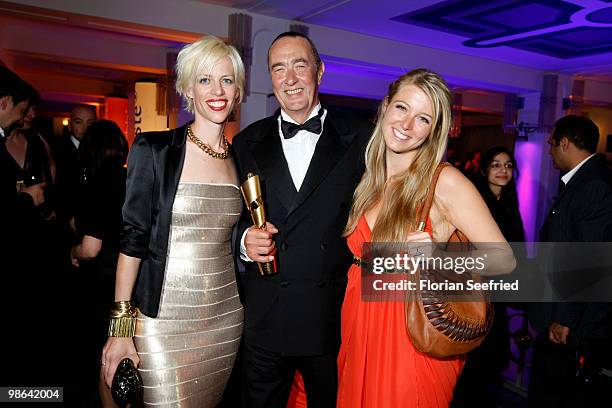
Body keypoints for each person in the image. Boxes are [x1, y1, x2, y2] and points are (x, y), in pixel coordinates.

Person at [335, 69, 514, 407]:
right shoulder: (369, 179)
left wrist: (439, 257)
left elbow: (505, 260)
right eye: (402, 108)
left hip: (410, 333)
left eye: (423, 119)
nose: (406, 124)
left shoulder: (444, 181)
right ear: (385, 106)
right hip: (359, 324)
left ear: (434, 131)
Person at [101, 36, 245, 407]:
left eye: (226, 80)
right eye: (204, 80)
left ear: (238, 90)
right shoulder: (154, 150)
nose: (217, 90)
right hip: (161, 320)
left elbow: (231, 237)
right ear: (188, 89)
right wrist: (120, 330)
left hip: (224, 318)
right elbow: (132, 242)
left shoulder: (242, 159)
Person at [231, 31, 372, 407]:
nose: (290, 78)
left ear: (320, 71)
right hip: (266, 315)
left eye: (299, 65)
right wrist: (244, 242)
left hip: (330, 318)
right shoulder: (246, 142)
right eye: (279, 68)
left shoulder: (361, 138)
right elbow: (227, 220)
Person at [528, 115, 612, 407]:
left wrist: (564, 318)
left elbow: (587, 257)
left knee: (555, 394)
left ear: (564, 143)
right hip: (566, 315)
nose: (550, 151)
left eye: (551, 144)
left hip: (572, 323)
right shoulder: (585, 180)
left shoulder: (592, 185)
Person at [452, 147, 525, 407]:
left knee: (490, 363)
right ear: (484, 170)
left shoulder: (510, 202)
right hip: (475, 291)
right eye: (496, 165)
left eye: (507, 165)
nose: (503, 170)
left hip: (499, 293)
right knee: (473, 362)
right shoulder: (475, 201)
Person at [70, 119, 128, 404]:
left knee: (106, 362)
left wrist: (72, 253)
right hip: (132, 283)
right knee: (127, 363)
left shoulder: (96, 183)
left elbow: (91, 249)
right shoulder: (133, 179)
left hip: (102, 285)